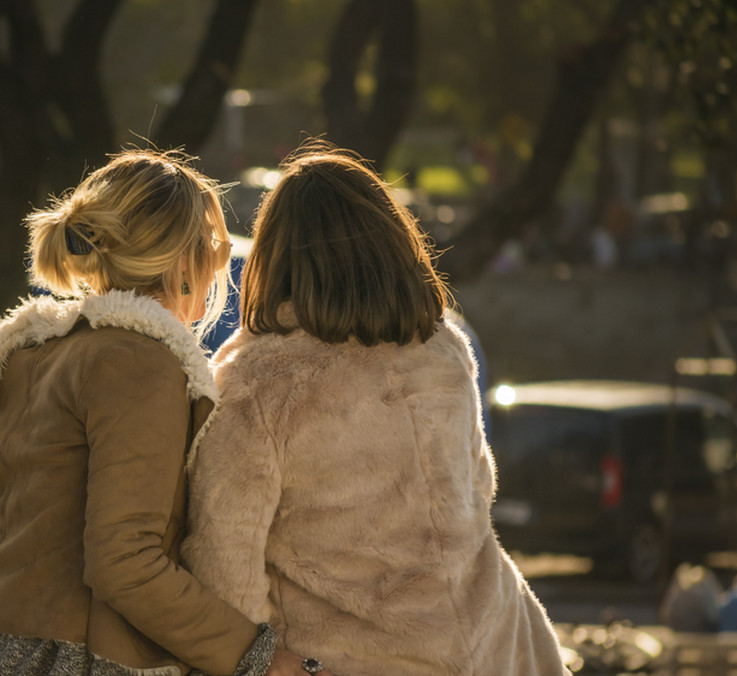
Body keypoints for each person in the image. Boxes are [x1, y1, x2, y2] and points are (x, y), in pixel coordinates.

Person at [0, 149, 329, 676]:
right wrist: (260, 659)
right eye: (219, 250)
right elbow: (124, 562)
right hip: (74, 658)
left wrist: (17, 575)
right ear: (185, 260)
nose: (220, 267)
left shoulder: (27, 351)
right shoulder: (139, 363)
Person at [182, 141, 568, 675]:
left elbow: (224, 568)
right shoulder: (444, 350)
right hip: (495, 643)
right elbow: (477, 490)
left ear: (278, 257)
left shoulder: (261, 386)